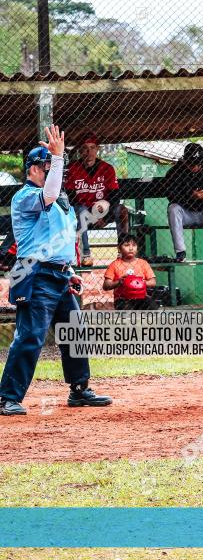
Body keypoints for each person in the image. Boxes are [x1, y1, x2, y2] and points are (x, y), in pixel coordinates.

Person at [0, 126, 112, 416]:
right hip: (33, 272)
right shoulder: (25, 196)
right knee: (31, 336)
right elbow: (48, 194)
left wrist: (71, 269)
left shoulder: (62, 204)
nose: (54, 174)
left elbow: (62, 240)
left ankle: (79, 389)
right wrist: (60, 157)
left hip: (60, 274)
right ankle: (7, 398)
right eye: (47, 167)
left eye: (54, 168)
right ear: (33, 170)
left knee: (75, 330)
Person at [64, 132, 129, 267]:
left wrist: (104, 217)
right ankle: (86, 255)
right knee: (80, 210)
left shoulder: (107, 168)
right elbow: (70, 196)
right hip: (82, 213)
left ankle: (123, 251)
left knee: (122, 210)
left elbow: (115, 196)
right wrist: (92, 216)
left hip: (104, 211)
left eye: (92, 147)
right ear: (80, 151)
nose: (89, 152)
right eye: (85, 148)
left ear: (97, 149)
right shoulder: (72, 168)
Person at [160, 143, 203, 262]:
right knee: (173, 208)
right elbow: (171, 196)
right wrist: (191, 196)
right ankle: (180, 252)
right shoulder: (175, 172)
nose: (195, 166)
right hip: (186, 214)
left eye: (198, 163)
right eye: (191, 163)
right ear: (185, 160)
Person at [103, 234, 157, 310]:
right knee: (126, 310)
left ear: (137, 248)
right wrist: (119, 282)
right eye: (126, 245)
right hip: (122, 298)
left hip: (141, 296)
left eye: (134, 245)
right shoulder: (114, 265)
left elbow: (153, 282)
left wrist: (142, 282)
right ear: (119, 248)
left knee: (152, 307)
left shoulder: (143, 263)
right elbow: (106, 285)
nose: (131, 248)